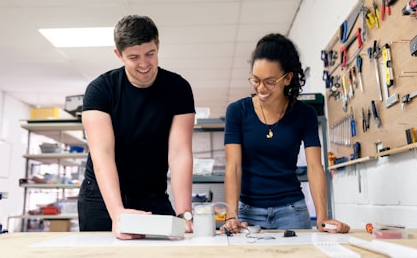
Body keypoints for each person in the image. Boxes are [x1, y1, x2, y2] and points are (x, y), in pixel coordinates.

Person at [78, 15, 196, 239]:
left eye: (150, 54)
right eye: (134, 57)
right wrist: (117, 213)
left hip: (151, 193)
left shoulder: (178, 89)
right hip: (102, 198)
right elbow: (102, 153)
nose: (144, 64)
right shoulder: (100, 90)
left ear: (158, 45)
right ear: (118, 54)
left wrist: (184, 213)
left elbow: (180, 153)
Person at [221, 33, 350, 234]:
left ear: (288, 78)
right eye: (255, 80)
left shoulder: (304, 114)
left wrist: (323, 219)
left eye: (270, 82)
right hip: (247, 213)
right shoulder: (237, 111)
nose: (261, 88)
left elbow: (315, 167)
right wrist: (231, 216)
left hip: (292, 211)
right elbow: (233, 167)